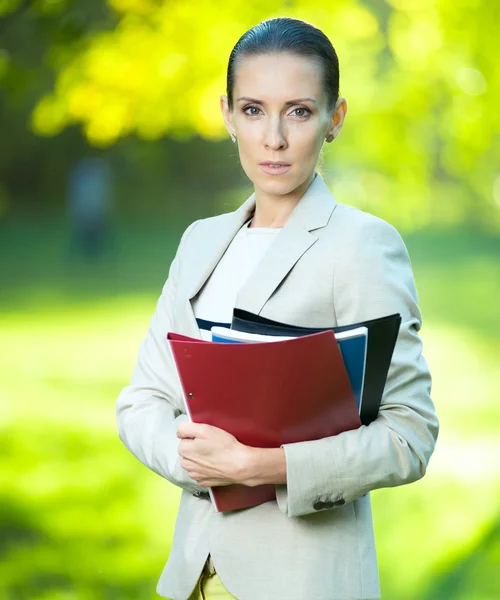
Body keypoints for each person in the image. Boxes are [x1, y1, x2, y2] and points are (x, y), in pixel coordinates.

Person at [116, 17, 439, 600]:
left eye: (298, 111)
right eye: (253, 110)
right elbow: (142, 400)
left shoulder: (362, 246)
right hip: (193, 578)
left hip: (305, 583)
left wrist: (260, 467)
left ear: (334, 118)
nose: (274, 139)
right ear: (227, 115)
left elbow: (408, 434)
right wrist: (196, 463)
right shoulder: (199, 242)